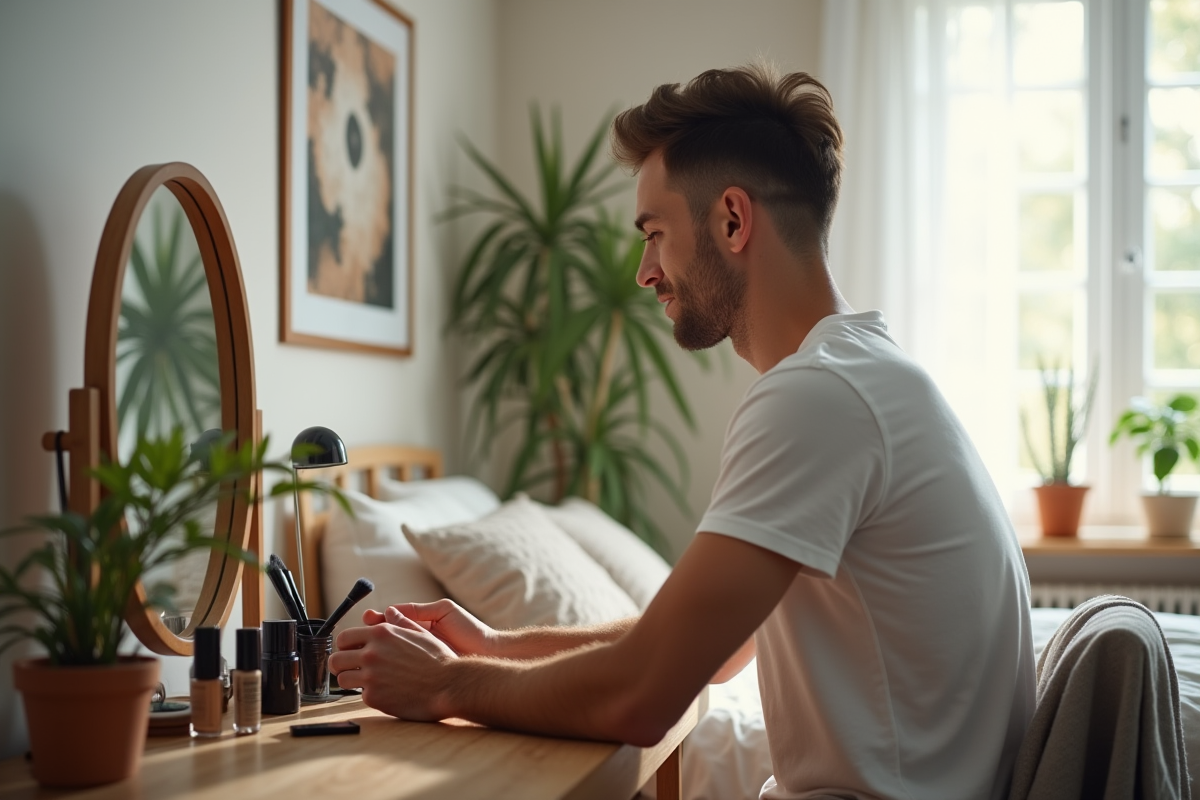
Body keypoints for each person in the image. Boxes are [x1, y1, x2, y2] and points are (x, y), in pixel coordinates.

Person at [330, 64, 1036, 800]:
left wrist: (446, 685)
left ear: (732, 220)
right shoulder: (866, 374)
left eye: (655, 234)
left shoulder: (817, 397)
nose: (644, 272)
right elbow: (712, 648)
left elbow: (642, 696)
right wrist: (496, 646)